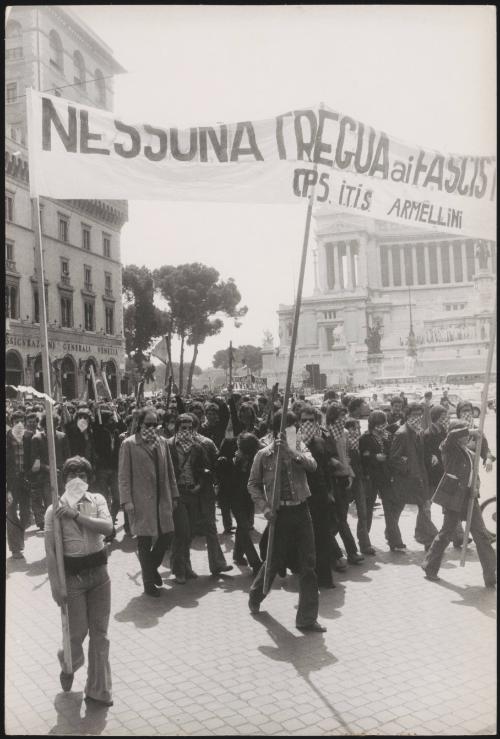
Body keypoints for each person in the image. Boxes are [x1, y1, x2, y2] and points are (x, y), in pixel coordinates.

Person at [247, 410, 326, 632]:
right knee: (273, 561)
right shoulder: (264, 455)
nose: (292, 431)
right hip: (279, 515)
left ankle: (307, 618)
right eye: (287, 427)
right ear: (276, 431)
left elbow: (313, 466)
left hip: (301, 511)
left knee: (308, 565)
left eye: (294, 427)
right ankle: (255, 595)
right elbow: (252, 484)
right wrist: (265, 507)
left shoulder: (298, 447)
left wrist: (293, 453)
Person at [45, 456, 114, 706]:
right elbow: (51, 551)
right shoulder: (54, 510)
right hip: (73, 580)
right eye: (71, 476)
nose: (77, 480)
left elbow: (108, 528)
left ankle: (98, 689)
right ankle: (68, 662)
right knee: (76, 633)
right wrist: (57, 586)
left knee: (100, 633)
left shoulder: (97, 500)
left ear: (89, 478)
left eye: (82, 475)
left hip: (99, 575)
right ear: (64, 480)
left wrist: (76, 515)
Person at [421, 422, 496, 587]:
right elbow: (452, 436)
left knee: (481, 535)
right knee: (446, 533)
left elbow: (476, 466)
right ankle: (429, 567)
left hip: (469, 498)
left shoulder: (468, 451)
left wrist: (476, 484)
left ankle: (491, 575)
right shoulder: (448, 447)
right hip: (453, 497)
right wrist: (470, 430)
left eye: (467, 434)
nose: (466, 436)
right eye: (464, 434)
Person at [118, 407, 179, 597]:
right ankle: (148, 583)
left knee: (167, 534)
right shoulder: (129, 444)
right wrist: (126, 500)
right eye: (148, 424)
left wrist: (174, 494)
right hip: (141, 499)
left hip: (162, 497)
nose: (152, 428)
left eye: (155, 424)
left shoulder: (162, 442)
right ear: (140, 424)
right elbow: (123, 475)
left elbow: (170, 471)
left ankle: (151, 568)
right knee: (144, 541)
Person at [169, 414, 232, 582]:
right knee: (181, 532)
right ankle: (179, 570)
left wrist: (200, 484)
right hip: (177, 494)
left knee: (189, 533)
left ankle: (186, 566)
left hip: (193, 493)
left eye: (190, 427)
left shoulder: (198, 446)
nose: (187, 429)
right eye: (183, 426)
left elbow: (204, 468)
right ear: (177, 426)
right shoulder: (168, 446)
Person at [389, 403, 438, 550]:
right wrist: (407, 469)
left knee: (425, 507)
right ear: (407, 416)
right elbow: (394, 458)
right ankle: (393, 540)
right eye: (414, 415)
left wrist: (430, 458)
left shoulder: (419, 432)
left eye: (419, 415)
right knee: (396, 510)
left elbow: (421, 454)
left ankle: (427, 539)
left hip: (420, 478)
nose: (417, 418)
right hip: (406, 480)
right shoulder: (401, 433)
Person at [298, 405, 336, 588]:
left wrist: (329, 491)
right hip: (301, 495)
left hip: (319, 494)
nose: (306, 424)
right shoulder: (293, 440)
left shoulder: (320, 441)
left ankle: (324, 577)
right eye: (303, 420)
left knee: (322, 535)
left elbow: (326, 469)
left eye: (310, 421)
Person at [360, 411, 406, 551]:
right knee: (367, 510)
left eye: (383, 424)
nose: (381, 427)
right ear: (372, 425)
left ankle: (394, 540)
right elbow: (363, 458)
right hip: (371, 478)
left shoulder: (389, 437)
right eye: (378, 425)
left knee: (391, 509)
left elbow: (392, 454)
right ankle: (364, 543)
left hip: (386, 477)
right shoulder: (365, 438)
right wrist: (374, 457)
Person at [218, 432, 262, 576]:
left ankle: (237, 555)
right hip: (234, 499)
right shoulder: (230, 461)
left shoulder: (254, 460)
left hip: (248, 499)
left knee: (244, 527)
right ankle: (255, 563)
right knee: (244, 527)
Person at [30, 411, 70, 531]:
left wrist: (64, 471)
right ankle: (52, 528)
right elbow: (35, 460)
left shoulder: (62, 437)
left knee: (64, 501)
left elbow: (67, 456)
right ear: (43, 424)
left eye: (53, 424)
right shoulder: (36, 438)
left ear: (57, 424)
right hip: (45, 477)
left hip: (61, 475)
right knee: (51, 504)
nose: (50, 427)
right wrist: (48, 468)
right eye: (47, 424)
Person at [6, 410, 34, 558]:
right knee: (10, 513)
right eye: (15, 421)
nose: (18, 424)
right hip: (9, 483)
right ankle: (15, 548)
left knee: (26, 515)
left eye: (21, 420)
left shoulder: (29, 437)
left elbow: (34, 457)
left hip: (25, 480)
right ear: (11, 423)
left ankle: (19, 537)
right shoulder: (5, 438)